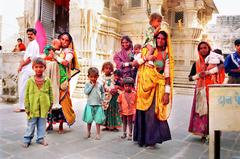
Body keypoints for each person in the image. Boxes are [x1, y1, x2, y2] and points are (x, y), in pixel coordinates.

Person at [133, 31, 174, 147]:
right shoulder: (147, 50)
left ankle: (152, 140)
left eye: (163, 39)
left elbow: (167, 75)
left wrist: (167, 93)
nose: (160, 41)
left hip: (157, 87)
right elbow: (134, 64)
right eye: (158, 38)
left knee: (153, 113)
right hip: (143, 87)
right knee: (143, 112)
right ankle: (141, 138)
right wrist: (147, 57)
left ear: (166, 41)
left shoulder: (166, 55)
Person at [188, 41, 225, 142]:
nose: (203, 50)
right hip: (201, 90)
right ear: (198, 50)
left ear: (209, 48)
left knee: (212, 112)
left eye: (205, 48)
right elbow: (190, 78)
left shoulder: (215, 59)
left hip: (213, 90)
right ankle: (203, 133)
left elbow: (222, 67)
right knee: (202, 111)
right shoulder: (197, 63)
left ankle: (213, 133)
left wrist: (208, 72)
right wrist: (198, 75)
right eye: (201, 48)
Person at [46, 32, 80, 133]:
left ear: (70, 42)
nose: (64, 42)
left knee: (63, 102)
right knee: (52, 101)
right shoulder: (56, 49)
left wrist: (55, 57)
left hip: (63, 81)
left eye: (67, 40)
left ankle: (61, 124)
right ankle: (50, 124)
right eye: (62, 39)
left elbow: (65, 62)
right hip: (53, 79)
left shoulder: (70, 52)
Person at [23, 57, 53, 148]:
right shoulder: (30, 81)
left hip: (44, 107)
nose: (38, 69)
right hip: (32, 107)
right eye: (36, 67)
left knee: (42, 124)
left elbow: (50, 93)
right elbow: (27, 95)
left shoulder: (47, 81)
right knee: (31, 124)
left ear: (44, 68)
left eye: (41, 67)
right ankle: (27, 139)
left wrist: (50, 105)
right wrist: (27, 107)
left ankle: (40, 138)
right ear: (33, 67)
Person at [15, 28, 40, 112]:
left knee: (23, 87)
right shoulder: (31, 44)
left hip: (28, 69)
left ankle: (22, 107)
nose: (29, 36)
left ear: (35, 35)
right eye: (28, 34)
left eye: (31, 34)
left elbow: (30, 58)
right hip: (28, 68)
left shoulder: (33, 44)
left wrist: (21, 65)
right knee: (27, 88)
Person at [82, 67, 105, 140]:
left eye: (95, 77)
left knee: (98, 121)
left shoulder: (100, 84)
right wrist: (92, 85)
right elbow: (86, 92)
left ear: (98, 76)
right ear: (88, 76)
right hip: (90, 105)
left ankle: (98, 134)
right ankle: (88, 132)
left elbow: (103, 92)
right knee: (89, 120)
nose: (93, 78)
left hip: (98, 105)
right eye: (91, 77)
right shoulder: (87, 84)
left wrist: (102, 99)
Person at [100, 62, 122, 131]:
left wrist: (116, 88)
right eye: (106, 68)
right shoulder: (102, 78)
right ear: (103, 69)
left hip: (114, 95)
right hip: (106, 96)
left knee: (114, 110)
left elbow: (118, 83)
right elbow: (101, 86)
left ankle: (114, 126)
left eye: (110, 68)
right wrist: (106, 89)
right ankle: (107, 125)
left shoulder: (114, 76)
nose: (108, 70)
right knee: (107, 110)